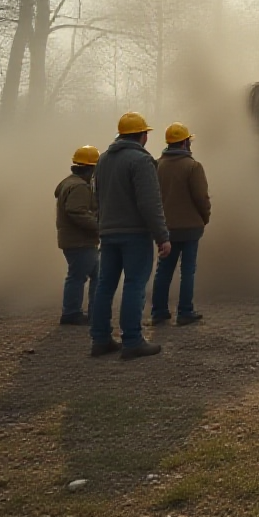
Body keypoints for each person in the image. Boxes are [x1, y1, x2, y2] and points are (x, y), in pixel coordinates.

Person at [90, 112, 170, 360]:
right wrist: (162, 236)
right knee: (134, 284)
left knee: (105, 285)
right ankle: (132, 341)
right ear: (142, 135)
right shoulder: (140, 161)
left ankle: (100, 339)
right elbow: (150, 203)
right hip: (134, 233)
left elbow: (97, 197)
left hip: (108, 232)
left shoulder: (103, 160)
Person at [152, 122, 211, 326]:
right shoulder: (193, 166)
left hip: (165, 228)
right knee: (187, 270)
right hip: (190, 228)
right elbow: (201, 197)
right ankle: (185, 311)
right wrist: (205, 217)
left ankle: (159, 311)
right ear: (185, 143)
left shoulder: (156, 165)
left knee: (163, 270)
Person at [55, 145, 101, 325]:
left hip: (74, 240)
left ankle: (89, 311)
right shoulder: (80, 187)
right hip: (80, 241)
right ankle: (72, 313)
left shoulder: (69, 182)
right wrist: (98, 226)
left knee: (88, 275)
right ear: (90, 168)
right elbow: (76, 212)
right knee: (79, 276)